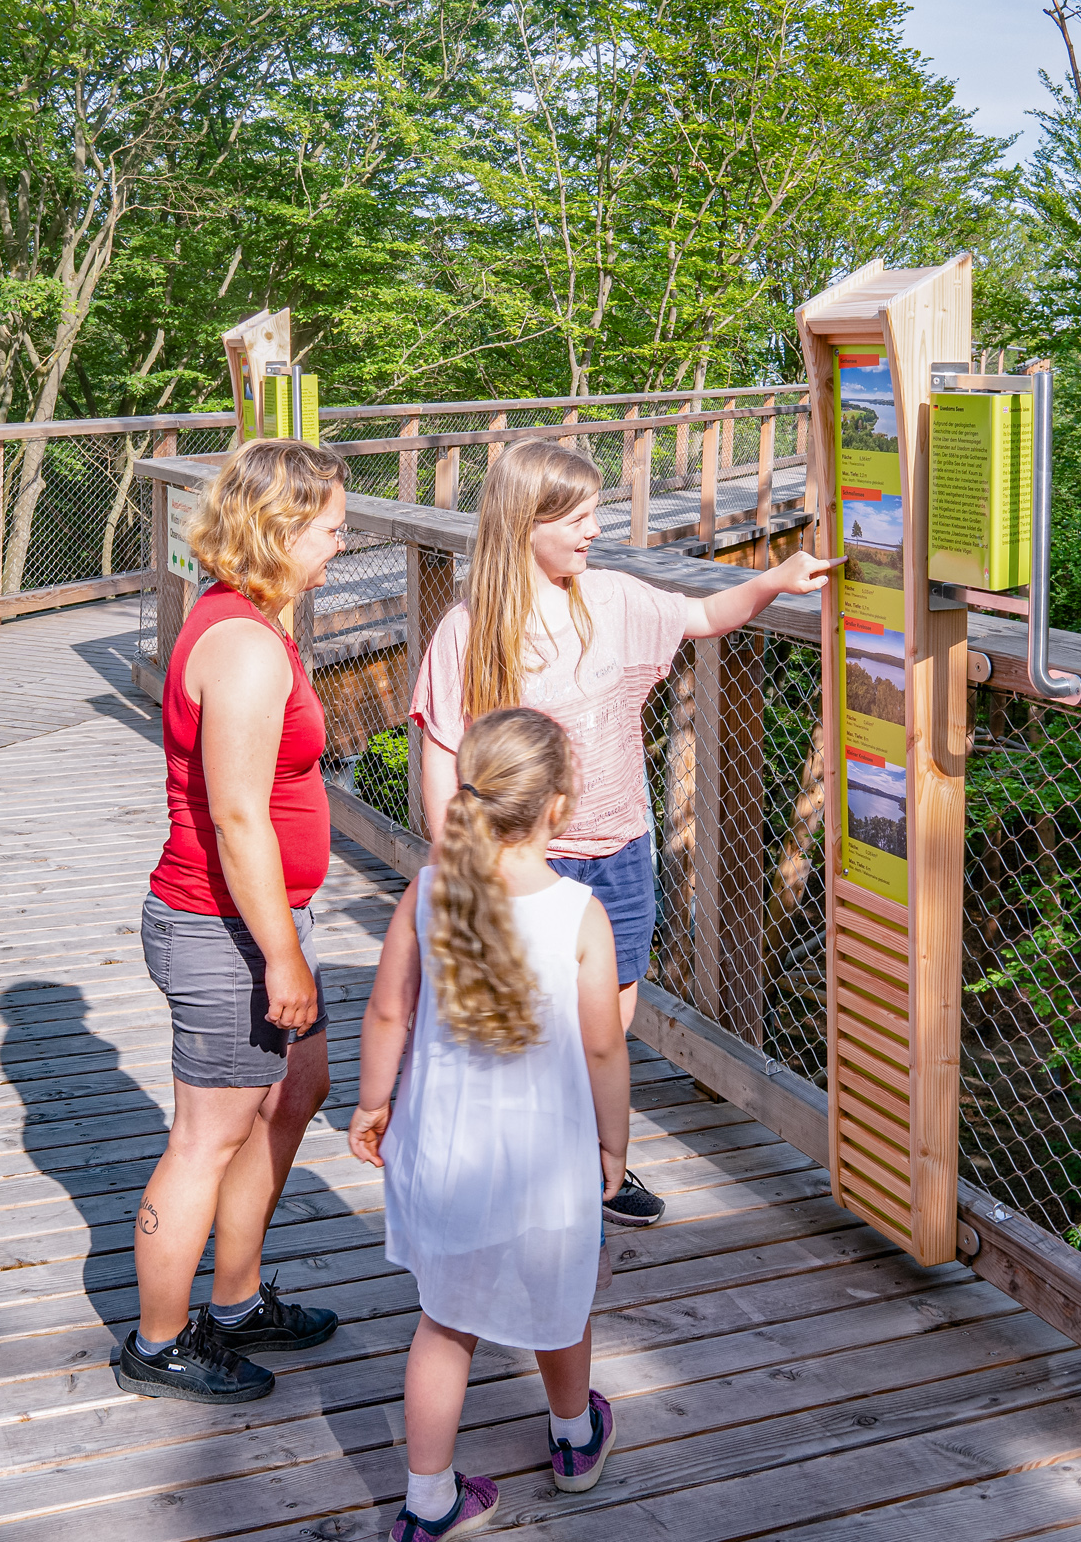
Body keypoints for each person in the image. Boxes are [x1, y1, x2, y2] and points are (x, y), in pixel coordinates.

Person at [408, 440, 839, 1228]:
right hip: (519, 860)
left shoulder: (610, 599)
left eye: (594, 513)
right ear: (522, 522)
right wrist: (461, 862)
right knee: (532, 1017)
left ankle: (590, 1157)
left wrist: (776, 579)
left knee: (612, 1010)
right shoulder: (466, 631)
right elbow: (441, 753)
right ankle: (538, 1161)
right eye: (575, 518)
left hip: (621, 845)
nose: (593, 530)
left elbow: (705, 615)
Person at [349, 708, 632, 1540]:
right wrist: (612, 1142)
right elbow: (605, 1047)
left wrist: (372, 1103)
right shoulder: (578, 913)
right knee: (564, 1292)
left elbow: (386, 1012)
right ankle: (575, 1436)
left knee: (446, 1320)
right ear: (559, 806)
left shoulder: (429, 889)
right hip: (545, 1161)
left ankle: (427, 1499)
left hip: (443, 1152)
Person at [115, 437, 350, 1405]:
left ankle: (239, 1298)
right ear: (283, 526)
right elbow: (238, 815)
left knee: (297, 1087)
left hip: (254, 922)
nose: (342, 543)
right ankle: (160, 1342)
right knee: (205, 1137)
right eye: (332, 527)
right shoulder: (246, 647)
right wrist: (282, 958)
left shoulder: (251, 620)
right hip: (223, 929)